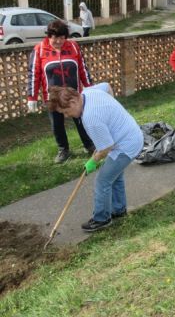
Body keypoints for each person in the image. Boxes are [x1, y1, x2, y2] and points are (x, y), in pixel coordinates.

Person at [48, 83, 144, 232]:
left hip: (126, 145)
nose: (67, 116)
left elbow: (106, 147)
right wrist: (112, 110)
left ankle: (102, 219)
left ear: (73, 102)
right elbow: (107, 86)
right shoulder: (89, 92)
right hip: (131, 134)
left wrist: (93, 161)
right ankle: (119, 209)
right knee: (114, 176)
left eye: (66, 112)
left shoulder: (90, 118)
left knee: (102, 181)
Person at [27, 19, 94, 163]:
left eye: (62, 38)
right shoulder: (39, 50)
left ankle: (89, 144)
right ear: (49, 36)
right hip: (53, 98)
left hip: (74, 95)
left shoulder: (74, 47)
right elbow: (34, 74)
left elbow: (82, 68)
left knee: (82, 120)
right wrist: (31, 97)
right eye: (55, 38)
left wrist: (89, 87)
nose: (59, 41)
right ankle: (63, 150)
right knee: (57, 124)